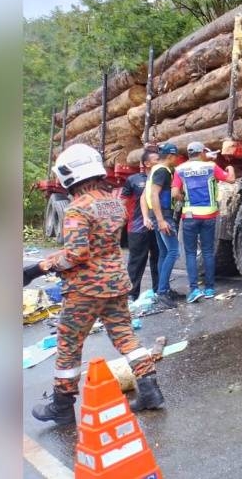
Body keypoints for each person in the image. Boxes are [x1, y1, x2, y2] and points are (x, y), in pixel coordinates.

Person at [25, 144, 165, 426]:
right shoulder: (112, 202)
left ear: (69, 175)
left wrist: (41, 266)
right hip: (115, 281)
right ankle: (150, 390)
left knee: (68, 344)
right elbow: (101, 245)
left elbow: (77, 254)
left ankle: (62, 406)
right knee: (125, 336)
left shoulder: (77, 208)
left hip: (85, 290)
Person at [172, 141, 235, 303]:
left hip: (190, 216)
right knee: (207, 251)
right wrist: (230, 168)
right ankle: (209, 288)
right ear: (201, 153)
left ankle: (194, 289)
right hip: (209, 215)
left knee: (191, 253)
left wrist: (183, 199)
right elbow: (231, 180)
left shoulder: (180, 169)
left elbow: (174, 193)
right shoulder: (211, 167)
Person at [145, 142, 184, 308]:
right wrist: (161, 220)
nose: (177, 159)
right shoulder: (162, 171)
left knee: (164, 252)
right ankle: (162, 293)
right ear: (171, 156)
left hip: (157, 215)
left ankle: (165, 289)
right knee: (174, 252)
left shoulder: (156, 169)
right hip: (163, 215)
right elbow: (154, 195)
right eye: (176, 156)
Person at [120, 150, 160, 301]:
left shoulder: (162, 177)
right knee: (136, 262)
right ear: (147, 163)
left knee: (158, 259)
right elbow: (123, 203)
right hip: (137, 228)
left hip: (157, 226)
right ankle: (131, 294)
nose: (160, 161)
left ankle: (159, 291)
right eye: (157, 159)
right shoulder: (133, 180)